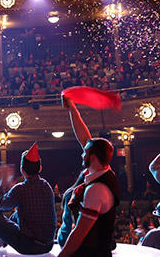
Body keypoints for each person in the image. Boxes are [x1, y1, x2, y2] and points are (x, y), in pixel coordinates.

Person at [57, 98, 120, 257]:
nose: (81, 153)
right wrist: (72, 108)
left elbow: (79, 233)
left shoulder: (97, 190)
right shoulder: (102, 170)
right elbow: (85, 138)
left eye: (85, 152)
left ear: (92, 157)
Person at [0, 142, 56, 255]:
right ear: (40, 168)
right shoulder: (47, 187)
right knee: (17, 215)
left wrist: (2, 180)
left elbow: (0, 205)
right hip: (48, 246)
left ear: (22, 170)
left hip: (29, 246)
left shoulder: (21, 189)